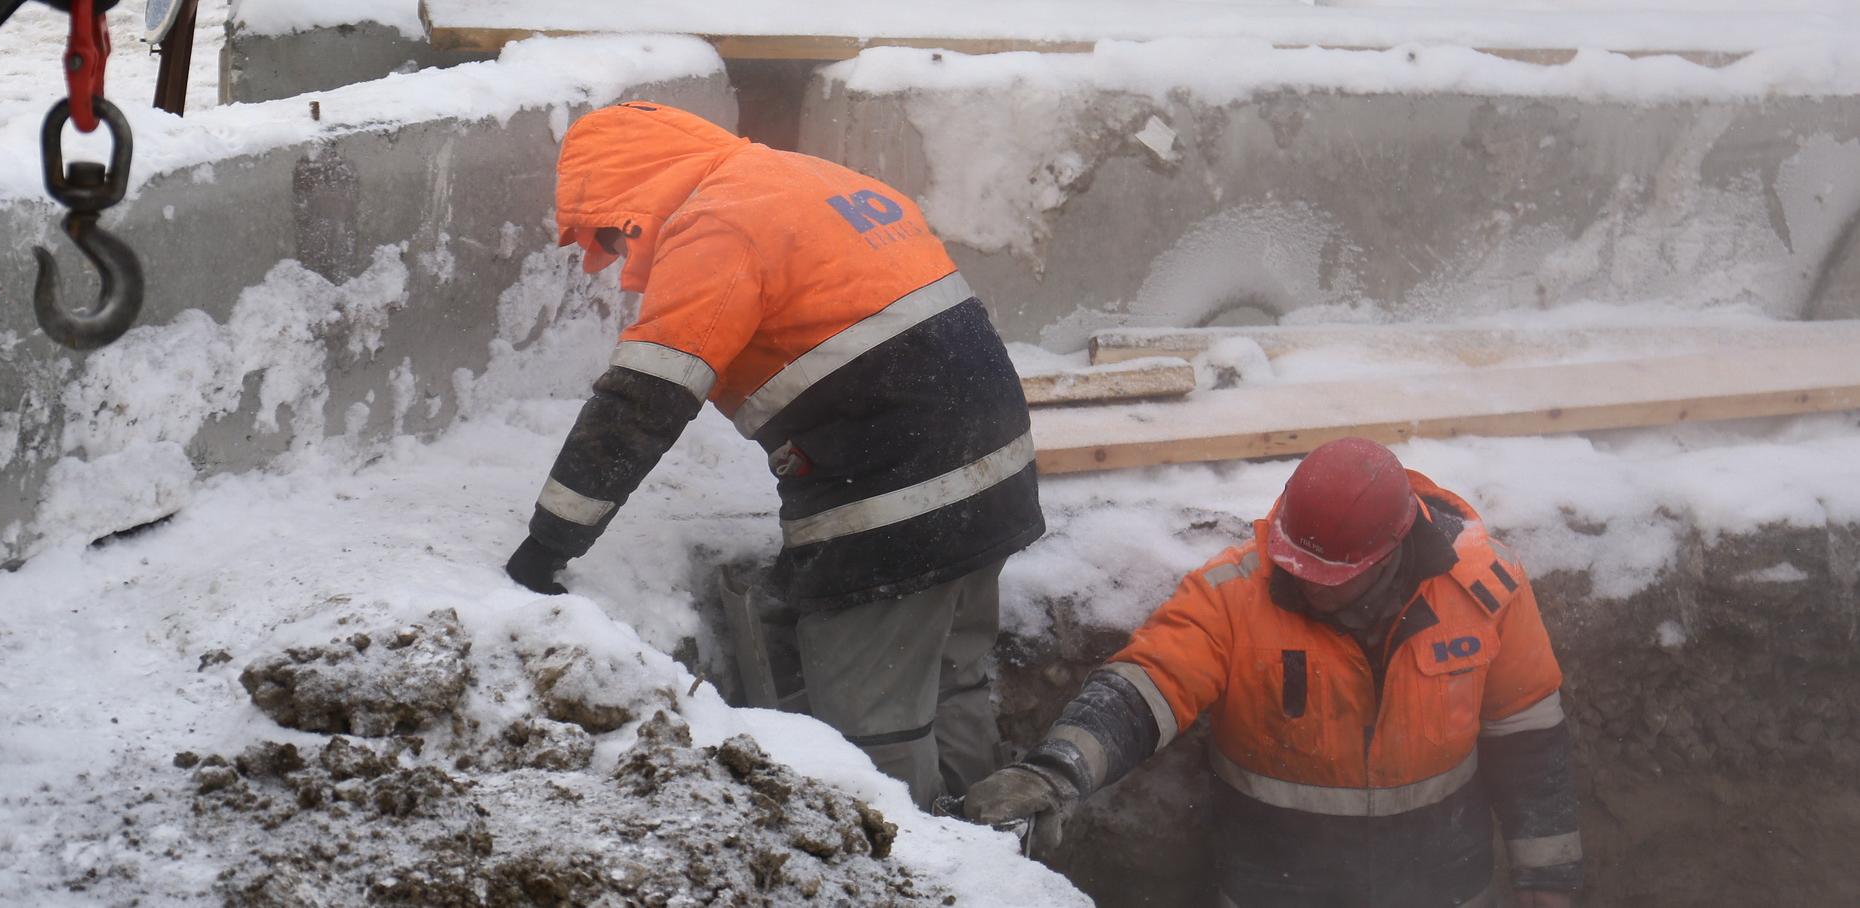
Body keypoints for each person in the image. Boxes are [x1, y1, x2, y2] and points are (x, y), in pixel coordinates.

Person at [500, 101, 1045, 807]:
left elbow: (644, 400)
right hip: (995, 476)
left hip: (898, 506)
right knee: (950, 680)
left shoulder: (716, 222)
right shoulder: (809, 179)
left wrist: (546, 545)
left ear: (630, 195)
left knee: (872, 727)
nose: (624, 254)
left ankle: (912, 873)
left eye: (614, 233)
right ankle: (990, 848)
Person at [968, 437, 1581, 907]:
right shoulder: (1236, 595)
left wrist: (1548, 877)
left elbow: (1529, 742)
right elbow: (1145, 687)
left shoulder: (1484, 590)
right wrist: (1057, 771)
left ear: (1391, 552)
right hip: (1277, 886)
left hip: (1442, 883)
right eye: (1296, 563)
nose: (1305, 583)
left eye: (1328, 577)